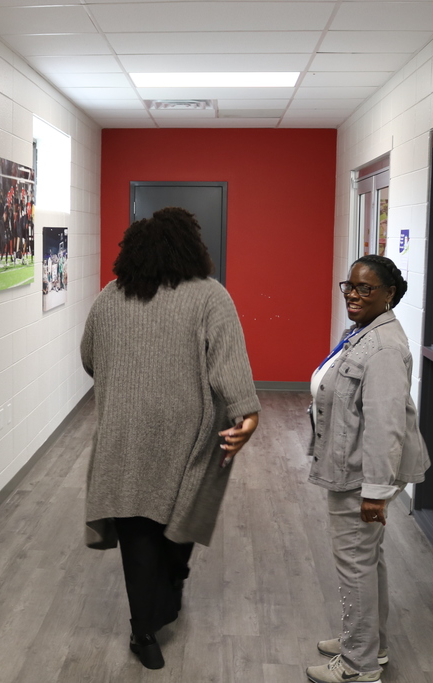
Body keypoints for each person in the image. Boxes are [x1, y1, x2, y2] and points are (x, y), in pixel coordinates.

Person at [80, 207, 261, 670]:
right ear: (191, 248)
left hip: (123, 435)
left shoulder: (108, 297)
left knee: (137, 530)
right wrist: (246, 412)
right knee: (177, 523)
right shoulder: (210, 297)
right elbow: (230, 364)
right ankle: (167, 600)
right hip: (187, 437)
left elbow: (88, 358)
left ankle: (145, 631)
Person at [304, 254, 430, 683]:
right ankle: (368, 644)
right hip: (351, 466)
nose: (353, 296)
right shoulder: (362, 333)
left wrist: (375, 492)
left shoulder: (385, 348)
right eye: (350, 287)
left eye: (366, 289)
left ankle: (358, 668)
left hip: (360, 476)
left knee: (354, 563)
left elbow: (385, 426)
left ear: (389, 294)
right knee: (366, 560)